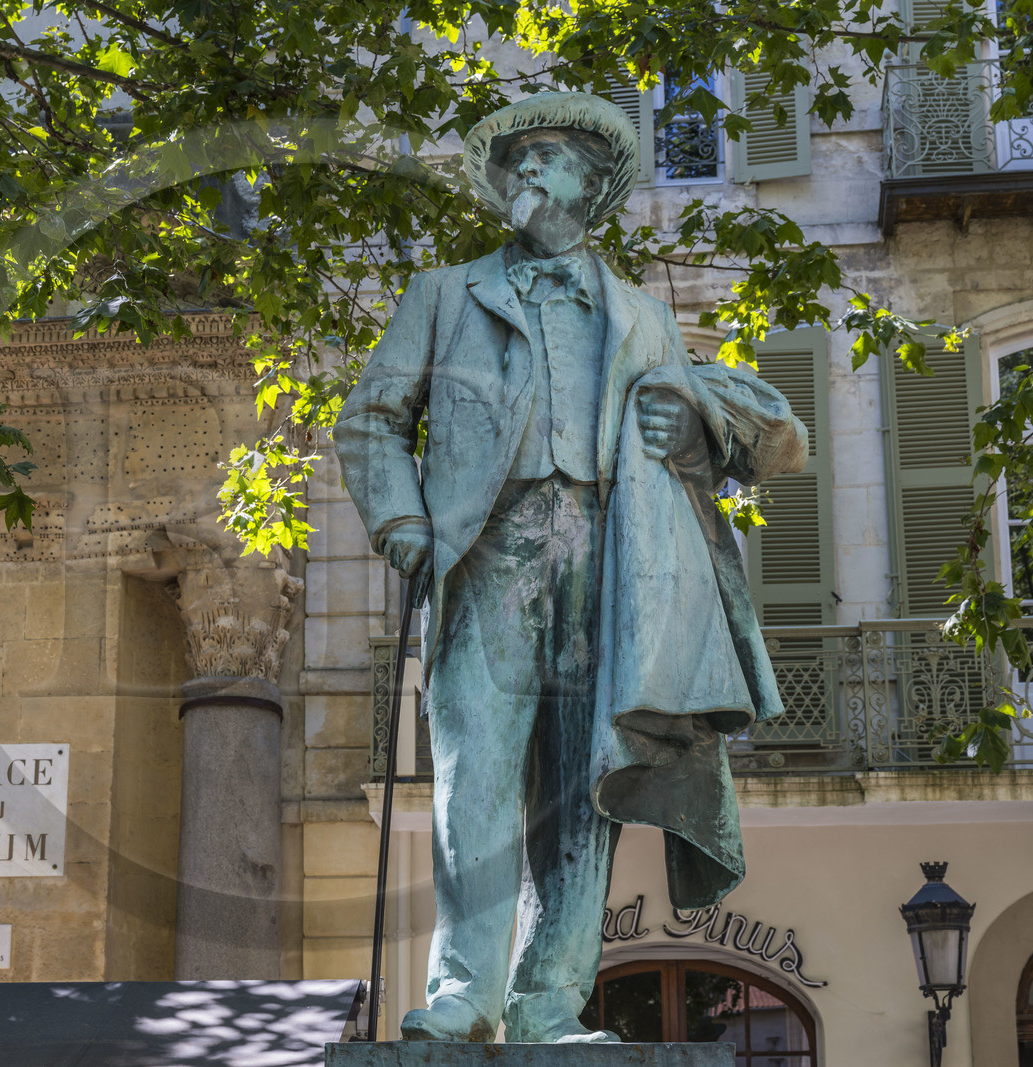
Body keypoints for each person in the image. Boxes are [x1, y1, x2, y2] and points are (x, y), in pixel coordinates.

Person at [334, 92, 808, 1044]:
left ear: (592, 188)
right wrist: (402, 525)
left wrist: (688, 431)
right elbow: (371, 421)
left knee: (584, 790)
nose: (525, 173)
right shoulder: (443, 293)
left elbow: (732, 442)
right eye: (516, 160)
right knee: (475, 776)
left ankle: (551, 1001)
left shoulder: (641, 315)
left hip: (612, 558)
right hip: (486, 555)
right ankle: (467, 990)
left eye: (545, 158)